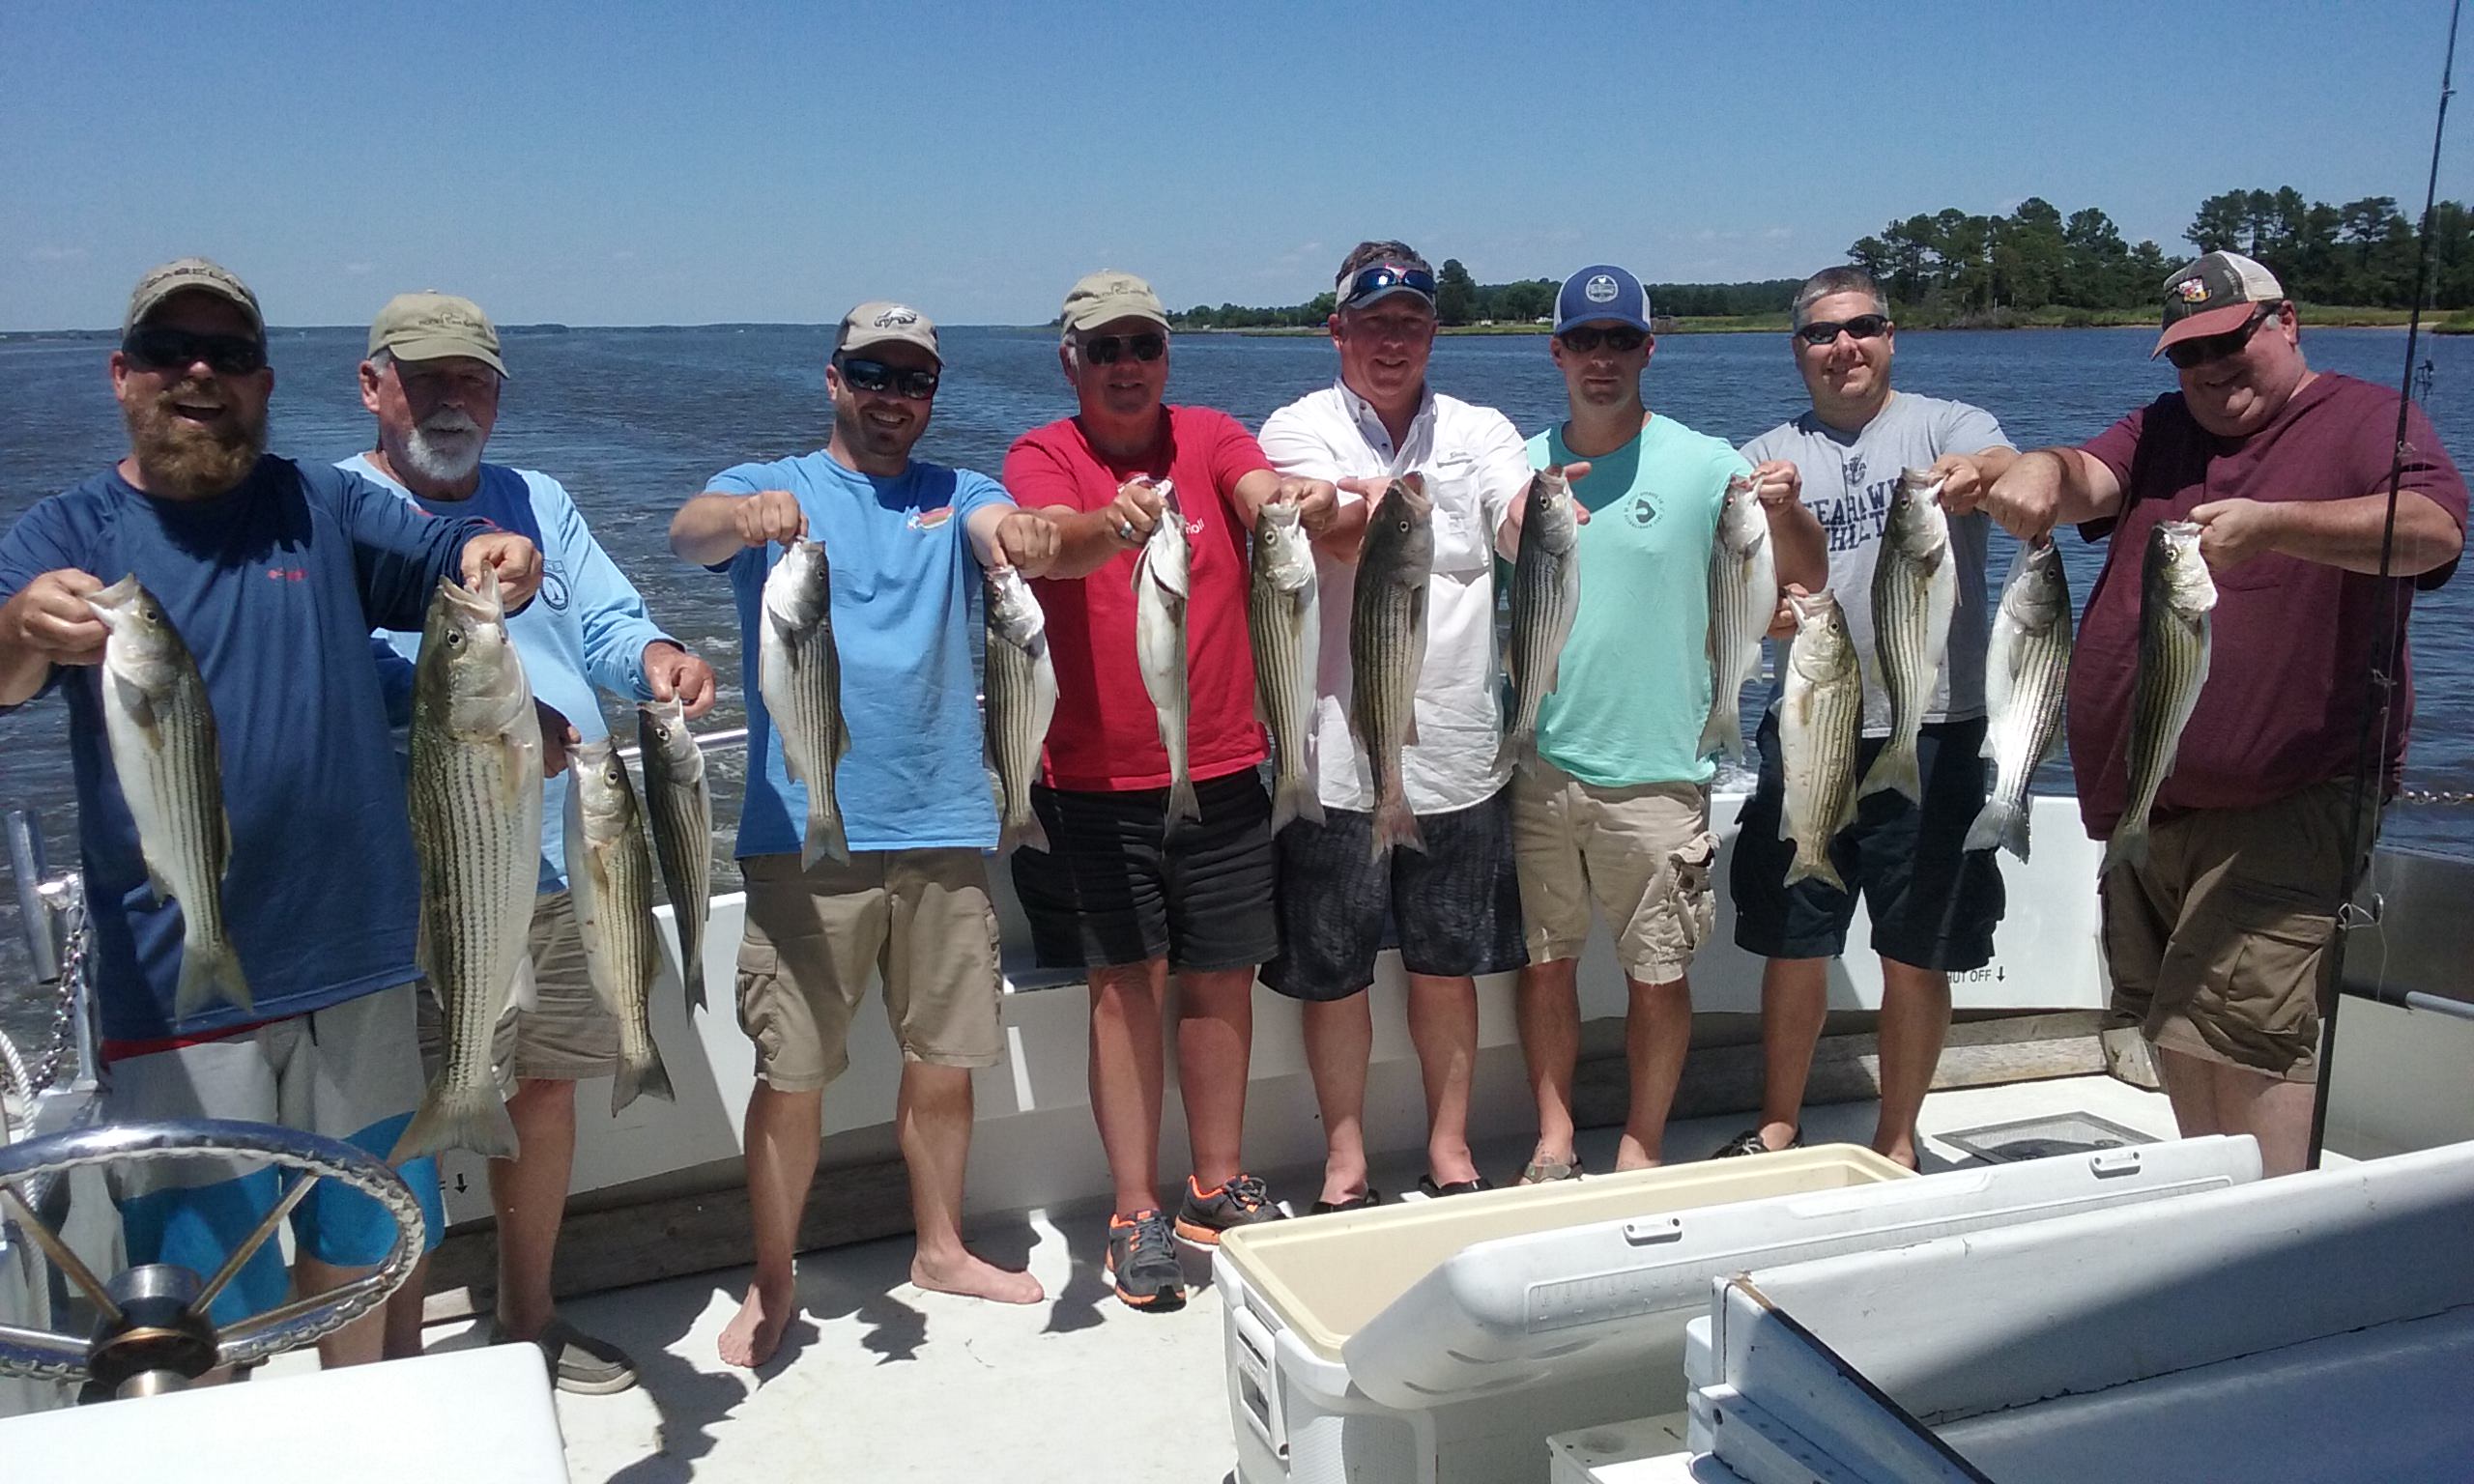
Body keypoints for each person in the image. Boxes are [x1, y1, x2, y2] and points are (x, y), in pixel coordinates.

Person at [0, 259, 542, 1366]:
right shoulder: (69, 533)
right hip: (181, 986)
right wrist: (19, 626)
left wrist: (497, 551)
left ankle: (374, 1438)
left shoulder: (322, 505)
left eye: (231, 356)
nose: (199, 374)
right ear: (122, 376)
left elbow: (444, 555)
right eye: (168, 353)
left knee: (373, 1248)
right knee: (212, 1281)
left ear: (265, 380)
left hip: (358, 964)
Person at [1970, 251, 2465, 1177]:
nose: (2210, 369)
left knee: (2241, 1034)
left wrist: (2276, 523)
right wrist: (2035, 470)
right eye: (2187, 354)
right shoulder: (2164, 428)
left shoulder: (2364, 419)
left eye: (2230, 341)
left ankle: (2272, 1243)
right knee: (2174, 1024)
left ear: (2287, 323)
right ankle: (2219, 1209)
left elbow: (2436, 531)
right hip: (2149, 806)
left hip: (2289, 801)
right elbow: (2086, 476)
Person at [669, 300, 1061, 1367]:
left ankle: (939, 1247)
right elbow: (689, 527)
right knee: (793, 1072)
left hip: (944, 825)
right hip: (801, 833)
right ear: (832, 378)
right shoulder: (777, 483)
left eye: (915, 381)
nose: (894, 397)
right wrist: (742, 522)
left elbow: (1008, 535)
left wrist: (1031, 535)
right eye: (874, 375)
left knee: (946, 1058)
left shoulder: (959, 493)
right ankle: (771, 1281)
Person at [352, 292, 719, 1389]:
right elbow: (353, 668)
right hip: (440, 867)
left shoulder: (539, 499)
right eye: (425, 379)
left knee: (546, 1087)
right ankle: (401, 1357)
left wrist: (655, 655)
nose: (450, 400)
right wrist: (512, 728)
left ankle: (528, 1318)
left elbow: (603, 619)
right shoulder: (339, 510)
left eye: (471, 380)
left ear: (500, 397)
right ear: (373, 386)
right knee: (399, 1124)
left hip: (575, 851)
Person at [1004, 271, 1335, 1310]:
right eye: (1104, 349)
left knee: (1223, 974)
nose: (1126, 364)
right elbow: (1045, 541)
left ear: (1166, 356)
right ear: (1072, 361)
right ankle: (1134, 1206)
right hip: (1093, 781)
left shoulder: (1209, 434)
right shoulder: (1042, 452)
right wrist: (1113, 525)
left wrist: (1297, 502)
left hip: (1229, 762)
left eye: (1143, 344)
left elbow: (1253, 491)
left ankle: (1215, 1182)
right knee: (1125, 987)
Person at [1512, 266, 1825, 1181]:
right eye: (1583, 341)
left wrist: (1787, 509)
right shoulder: (1523, 468)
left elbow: (1802, 583)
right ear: (1556, 352)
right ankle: (1554, 1139)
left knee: (1658, 974)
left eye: (1620, 341)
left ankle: (1640, 1147)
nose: (1600, 359)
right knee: (1545, 966)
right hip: (1539, 764)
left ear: (1650, 350)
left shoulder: (1709, 464)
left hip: (1657, 767)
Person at [1721, 265, 2017, 1170]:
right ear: (1797, 349)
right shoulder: (1765, 455)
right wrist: (1757, 611)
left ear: (1891, 337)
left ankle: (1897, 1137)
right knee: (1794, 940)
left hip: (1937, 726)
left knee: (1915, 950)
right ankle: (1779, 1121)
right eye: (1822, 333)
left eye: (1864, 328)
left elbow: (2010, 469)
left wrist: (1981, 476)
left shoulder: (1948, 427)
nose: (1844, 347)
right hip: (1812, 720)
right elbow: (1737, 581)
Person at [1256, 242, 1530, 1207]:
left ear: (1434, 332)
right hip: (1336, 753)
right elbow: (1323, 525)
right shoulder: (1297, 426)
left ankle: (1450, 1151)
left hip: (1460, 754)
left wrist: (1546, 512)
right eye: (1373, 324)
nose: (1392, 341)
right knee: (1333, 973)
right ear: (1337, 330)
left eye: (1411, 322)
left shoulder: (1483, 429)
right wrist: (1348, 506)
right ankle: (1345, 1161)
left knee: (1447, 962)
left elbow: (1513, 515)